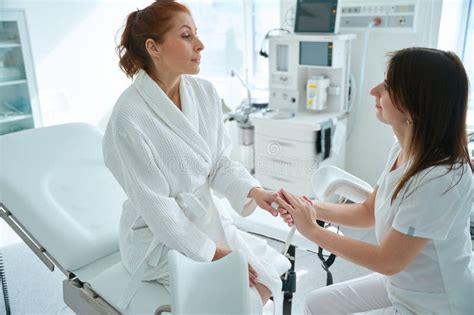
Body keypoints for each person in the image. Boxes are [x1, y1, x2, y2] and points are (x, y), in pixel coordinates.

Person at [102, 0, 290, 313]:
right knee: (237, 298)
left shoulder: (204, 93)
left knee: (271, 273)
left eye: (197, 35)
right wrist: (217, 255)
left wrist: (255, 192)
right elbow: (160, 211)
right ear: (154, 47)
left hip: (204, 219)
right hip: (158, 240)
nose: (200, 45)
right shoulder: (128, 118)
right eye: (187, 36)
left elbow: (217, 163)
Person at [276, 47, 474, 314]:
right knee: (316, 305)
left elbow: (388, 260)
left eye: (388, 85)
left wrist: (312, 231)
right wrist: (308, 207)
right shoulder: (403, 149)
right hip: (402, 284)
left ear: (415, 104)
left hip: (435, 303)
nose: (374, 90)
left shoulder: (439, 178)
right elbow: (368, 211)